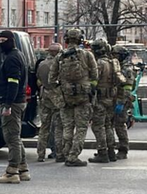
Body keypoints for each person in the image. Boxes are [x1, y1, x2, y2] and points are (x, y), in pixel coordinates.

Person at [51, 28, 98, 167]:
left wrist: (61, 90)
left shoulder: (59, 57)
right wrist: (89, 88)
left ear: (66, 40)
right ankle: (73, 156)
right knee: (81, 128)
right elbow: (95, 76)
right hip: (83, 98)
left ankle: (65, 152)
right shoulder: (87, 55)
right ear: (80, 39)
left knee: (67, 127)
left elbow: (51, 79)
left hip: (66, 98)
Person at [0, 30, 30, 183]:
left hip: (12, 103)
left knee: (11, 136)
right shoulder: (19, 55)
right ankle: (23, 169)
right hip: (19, 101)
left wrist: (8, 104)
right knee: (16, 136)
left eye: (3, 41)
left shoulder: (11, 59)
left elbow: (13, 83)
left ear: (10, 41)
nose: (1, 44)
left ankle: (12, 172)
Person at [89, 38, 123, 164]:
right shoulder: (113, 62)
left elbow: (94, 80)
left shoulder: (99, 63)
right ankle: (111, 152)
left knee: (98, 126)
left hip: (100, 99)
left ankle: (102, 152)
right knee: (108, 125)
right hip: (111, 98)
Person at [36, 42, 63, 162]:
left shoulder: (42, 64)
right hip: (57, 96)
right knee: (58, 126)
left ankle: (40, 154)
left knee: (44, 127)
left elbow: (38, 79)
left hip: (44, 95)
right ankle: (58, 152)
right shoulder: (60, 64)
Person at [111, 44, 135, 160]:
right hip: (113, 98)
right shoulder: (117, 66)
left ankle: (123, 149)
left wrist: (121, 102)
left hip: (122, 100)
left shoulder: (126, 69)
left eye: (115, 54)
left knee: (120, 126)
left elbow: (127, 87)